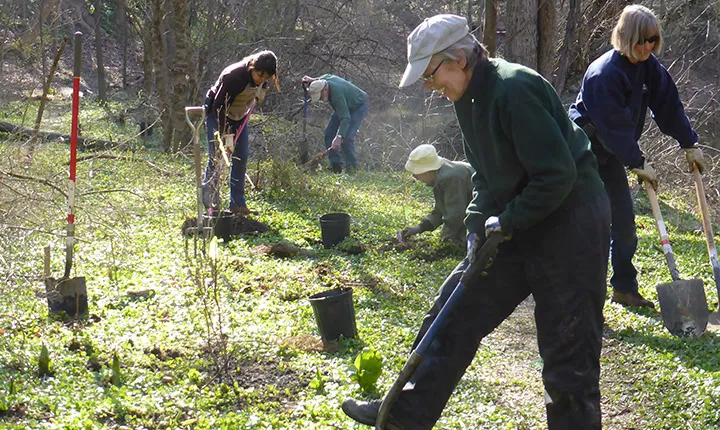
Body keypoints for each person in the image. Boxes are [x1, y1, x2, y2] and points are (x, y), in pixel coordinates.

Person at [342, 14, 611, 429]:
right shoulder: (467, 100)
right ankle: (402, 416)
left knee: (567, 349)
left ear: (460, 59)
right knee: (454, 312)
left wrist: (507, 219)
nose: (430, 87)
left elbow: (558, 175)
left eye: (431, 75)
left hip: (569, 222)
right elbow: (484, 174)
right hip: (516, 218)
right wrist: (475, 223)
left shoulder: (514, 89)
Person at [569, 4, 706, 308]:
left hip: (613, 151)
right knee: (593, 225)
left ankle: (624, 289)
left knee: (625, 225)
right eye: (641, 41)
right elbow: (613, 129)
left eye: (652, 40)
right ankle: (582, 298)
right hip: (583, 152)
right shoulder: (604, 74)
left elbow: (668, 105)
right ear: (625, 38)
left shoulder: (649, 67)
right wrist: (638, 162)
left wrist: (689, 143)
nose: (646, 47)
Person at [203, 50, 279, 215]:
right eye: (259, 75)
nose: (261, 79)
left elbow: (261, 86)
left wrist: (261, 91)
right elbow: (218, 107)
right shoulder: (234, 77)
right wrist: (225, 134)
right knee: (217, 156)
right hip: (217, 114)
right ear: (252, 67)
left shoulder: (262, 78)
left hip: (240, 116)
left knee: (241, 156)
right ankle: (211, 202)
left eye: (266, 77)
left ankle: (237, 204)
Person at [400, 144, 474, 246]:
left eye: (417, 173)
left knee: (462, 241)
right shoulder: (439, 175)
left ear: (428, 170)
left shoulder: (450, 177)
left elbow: (456, 214)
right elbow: (440, 210)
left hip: (492, 208)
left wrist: (445, 242)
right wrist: (418, 228)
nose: (415, 177)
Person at [302, 74, 369, 173]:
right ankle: (336, 168)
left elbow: (345, 119)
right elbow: (326, 76)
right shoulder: (324, 80)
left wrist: (339, 137)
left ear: (325, 90)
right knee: (329, 133)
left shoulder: (337, 96)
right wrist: (313, 80)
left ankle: (352, 170)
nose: (320, 99)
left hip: (358, 106)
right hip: (345, 106)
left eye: (320, 96)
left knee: (346, 137)